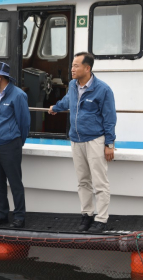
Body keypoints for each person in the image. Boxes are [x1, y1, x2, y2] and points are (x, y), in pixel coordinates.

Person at [48, 52, 116, 233]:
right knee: (83, 181)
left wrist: (109, 144)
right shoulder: (72, 85)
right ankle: (87, 215)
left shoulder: (103, 89)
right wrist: (56, 107)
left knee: (100, 182)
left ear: (88, 68)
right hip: (76, 139)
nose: (72, 69)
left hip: (95, 139)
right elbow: (68, 101)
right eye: (72, 65)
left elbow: (110, 118)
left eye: (76, 65)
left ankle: (101, 219)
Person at [0, 61, 30, 228]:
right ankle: (2, 214)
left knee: (15, 181)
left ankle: (19, 217)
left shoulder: (18, 95)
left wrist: (17, 142)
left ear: (0, 77)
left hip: (10, 144)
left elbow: (24, 123)